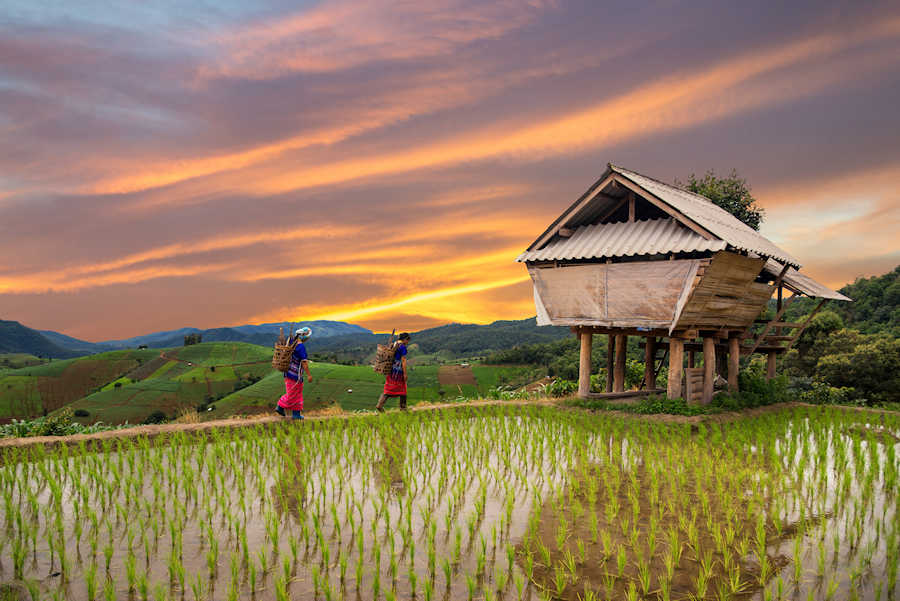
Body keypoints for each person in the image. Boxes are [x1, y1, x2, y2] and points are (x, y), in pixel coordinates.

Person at [276, 327, 312, 420]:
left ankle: (296, 414)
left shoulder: (291, 343)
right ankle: (280, 406)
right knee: (293, 394)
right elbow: (304, 362)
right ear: (304, 336)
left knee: (297, 393)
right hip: (295, 375)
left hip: (288, 373)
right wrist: (309, 375)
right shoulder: (300, 347)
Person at [375, 332, 410, 411]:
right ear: (405, 339)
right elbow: (403, 361)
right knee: (402, 389)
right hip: (398, 371)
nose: (408, 342)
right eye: (408, 340)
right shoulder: (402, 347)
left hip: (391, 370)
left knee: (388, 388)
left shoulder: (394, 344)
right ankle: (403, 407)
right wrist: (405, 373)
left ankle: (380, 405)